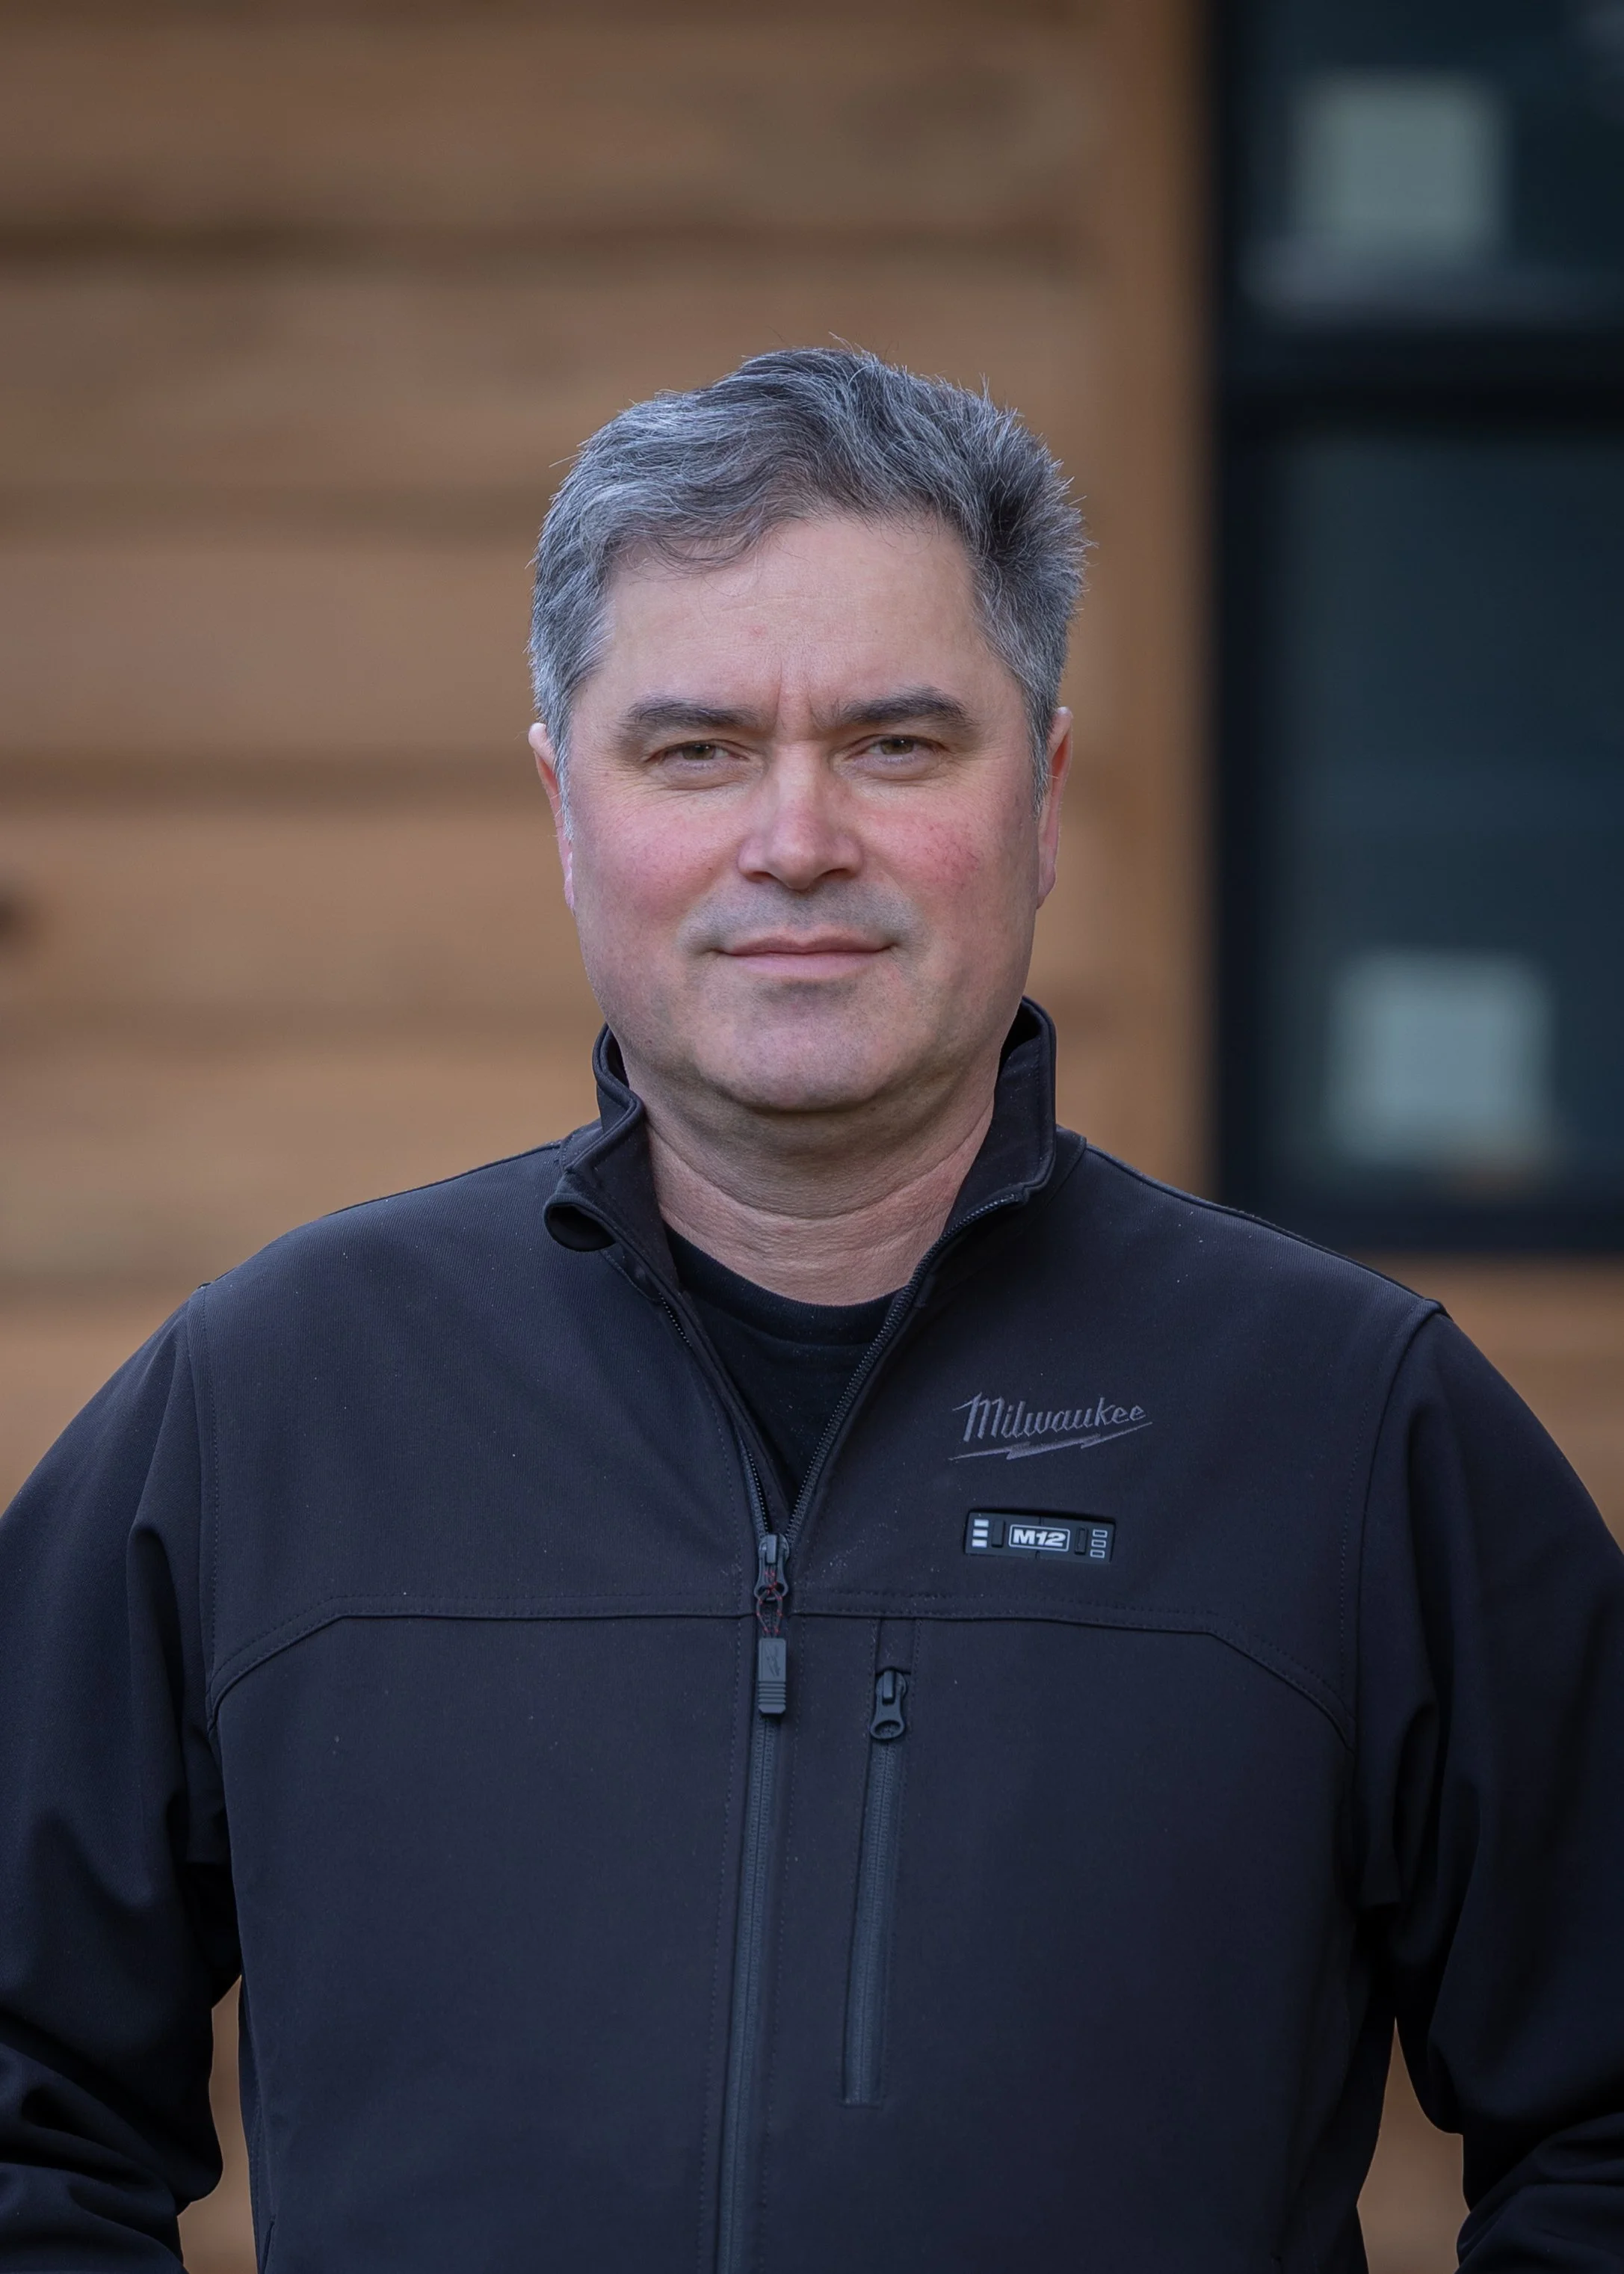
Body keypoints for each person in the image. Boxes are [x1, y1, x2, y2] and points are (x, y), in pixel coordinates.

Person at [1, 348, 1622, 2273]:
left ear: (1042, 789)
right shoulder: (272, 1403)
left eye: (897, 743)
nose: (795, 840)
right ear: (565, 802)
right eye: (693, 749)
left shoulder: (1350, 1429)